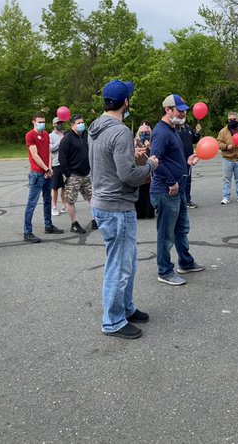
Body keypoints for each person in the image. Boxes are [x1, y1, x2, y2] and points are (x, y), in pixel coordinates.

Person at [90, 80, 157, 339]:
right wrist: (150, 165)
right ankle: (113, 320)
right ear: (125, 102)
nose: (130, 101)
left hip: (105, 202)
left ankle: (126, 308)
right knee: (119, 265)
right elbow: (127, 175)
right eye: (129, 97)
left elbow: (111, 161)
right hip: (116, 206)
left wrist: (134, 155)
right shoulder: (120, 132)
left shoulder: (96, 127)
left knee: (127, 261)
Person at [150, 95, 205, 286]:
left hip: (177, 189)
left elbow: (171, 158)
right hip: (166, 191)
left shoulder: (173, 129)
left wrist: (186, 161)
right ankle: (164, 271)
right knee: (166, 235)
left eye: (184, 110)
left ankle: (186, 263)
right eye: (179, 110)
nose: (183, 113)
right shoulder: (161, 132)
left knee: (182, 229)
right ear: (168, 110)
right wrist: (171, 181)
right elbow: (155, 160)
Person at [23, 113, 63, 243]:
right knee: (32, 203)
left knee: (47, 200)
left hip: (47, 172)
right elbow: (35, 155)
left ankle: (48, 225)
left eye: (43, 121)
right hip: (37, 174)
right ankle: (27, 232)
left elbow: (49, 152)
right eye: (39, 121)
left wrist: (50, 168)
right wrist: (45, 169)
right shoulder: (30, 135)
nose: (42, 124)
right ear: (33, 122)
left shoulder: (46, 134)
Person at [60, 114, 97, 234]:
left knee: (92, 198)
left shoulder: (87, 136)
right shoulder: (67, 139)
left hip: (87, 174)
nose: (81, 124)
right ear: (72, 125)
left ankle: (96, 219)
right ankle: (74, 223)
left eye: (82, 122)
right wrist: (68, 174)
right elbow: (62, 158)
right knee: (70, 200)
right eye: (78, 123)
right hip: (73, 175)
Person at [216, 111, 238, 205]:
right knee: (226, 179)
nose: (232, 121)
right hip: (227, 158)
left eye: (234, 119)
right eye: (230, 119)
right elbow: (218, 142)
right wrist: (226, 146)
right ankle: (225, 197)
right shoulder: (223, 131)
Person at [175, 116, 201, 208]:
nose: (183, 116)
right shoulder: (174, 128)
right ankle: (178, 201)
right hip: (178, 159)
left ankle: (187, 200)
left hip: (189, 158)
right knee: (178, 180)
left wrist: (197, 132)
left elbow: (194, 140)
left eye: (185, 114)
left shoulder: (188, 128)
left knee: (188, 180)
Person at [134, 121, 155, 219]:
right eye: (142, 132)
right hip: (139, 169)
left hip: (148, 171)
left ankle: (149, 212)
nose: (144, 134)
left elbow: (154, 155)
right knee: (140, 193)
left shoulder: (152, 141)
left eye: (146, 133)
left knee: (148, 192)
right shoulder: (135, 141)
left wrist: (149, 147)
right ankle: (140, 213)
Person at [49, 118, 66, 217]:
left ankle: (64, 205)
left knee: (64, 186)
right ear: (53, 124)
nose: (59, 124)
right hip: (56, 164)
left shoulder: (66, 134)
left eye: (61, 122)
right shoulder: (50, 136)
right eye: (57, 123)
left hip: (66, 164)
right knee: (55, 187)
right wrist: (60, 141)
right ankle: (54, 207)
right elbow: (50, 148)